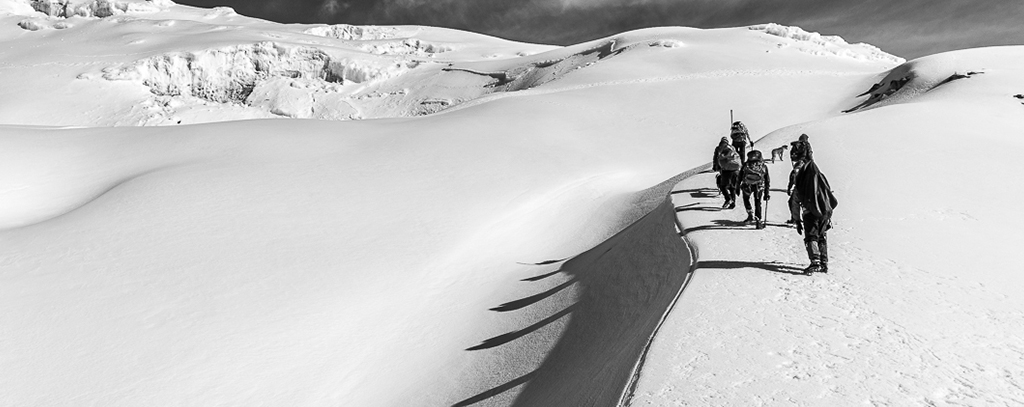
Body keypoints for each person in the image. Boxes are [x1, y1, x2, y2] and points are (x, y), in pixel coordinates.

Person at [789, 157, 838, 274]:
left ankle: (815, 262)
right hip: (825, 213)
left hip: (810, 213)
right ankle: (824, 262)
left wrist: (797, 220)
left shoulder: (801, 184)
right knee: (822, 236)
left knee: (811, 237)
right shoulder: (820, 178)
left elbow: (794, 203)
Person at [739, 150, 770, 228]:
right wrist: (766, 192)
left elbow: (740, 176)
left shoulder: (746, 165)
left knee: (746, 199)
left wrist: (737, 186)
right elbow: (767, 179)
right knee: (758, 202)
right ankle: (758, 220)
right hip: (759, 186)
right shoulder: (763, 166)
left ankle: (750, 214)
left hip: (747, 185)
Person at [713, 137, 741, 209]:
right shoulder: (732, 148)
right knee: (732, 187)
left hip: (727, 170)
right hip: (736, 170)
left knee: (723, 186)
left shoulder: (722, 149)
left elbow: (719, 158)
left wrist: (716, 166)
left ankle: (728, 199)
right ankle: (733, 204)